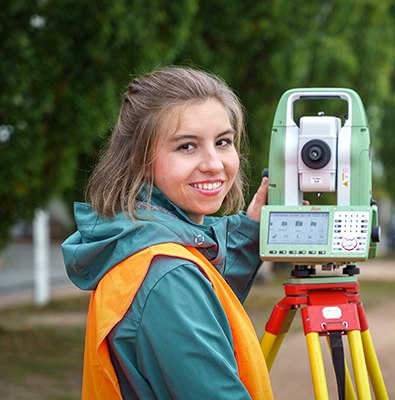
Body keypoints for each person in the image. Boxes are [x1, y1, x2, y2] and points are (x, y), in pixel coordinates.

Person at [62, 66, 274, 399]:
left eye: (223, 142)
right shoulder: (166, 277)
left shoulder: (139, 244)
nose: (214, 164)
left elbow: (203, 310)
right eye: (187, 146)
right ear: (139, 160)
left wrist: (250, 232)